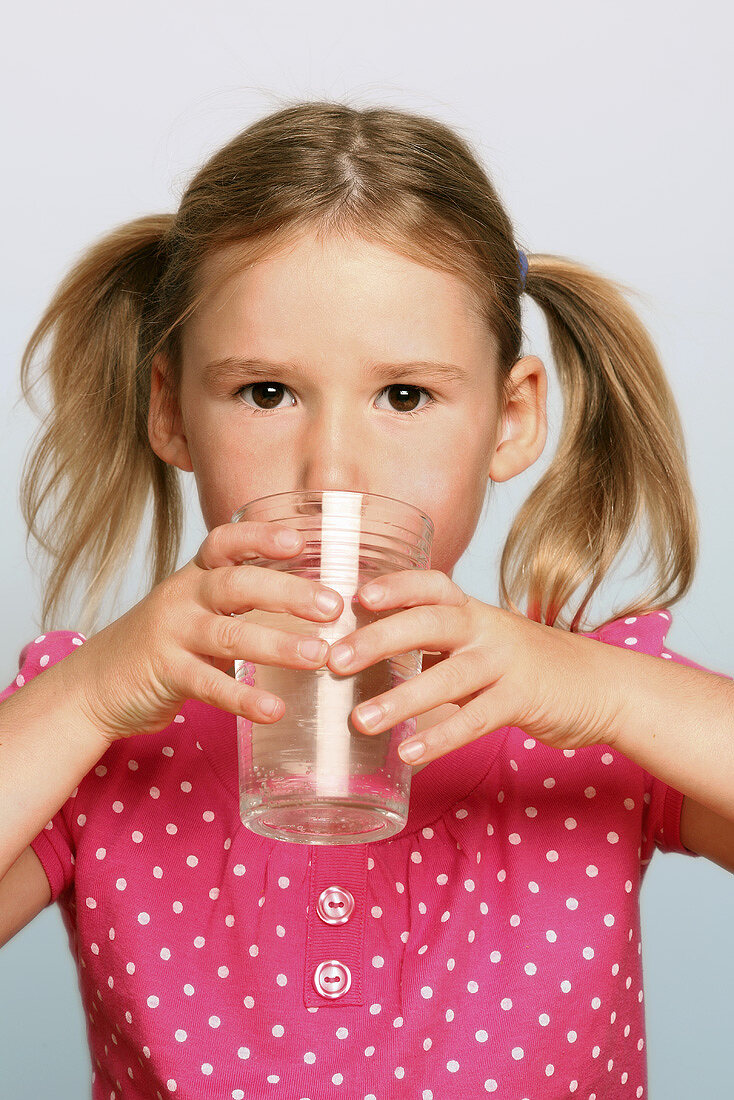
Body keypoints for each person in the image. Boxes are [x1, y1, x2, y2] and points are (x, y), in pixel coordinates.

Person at [1, 99, 732, 1100]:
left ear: (510, 416)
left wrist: (605, 693)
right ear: (169, 410)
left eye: (403, 396)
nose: (333, 470)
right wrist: (84, 699)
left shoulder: (587, 715)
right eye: (265, 391)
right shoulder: (104, 735)